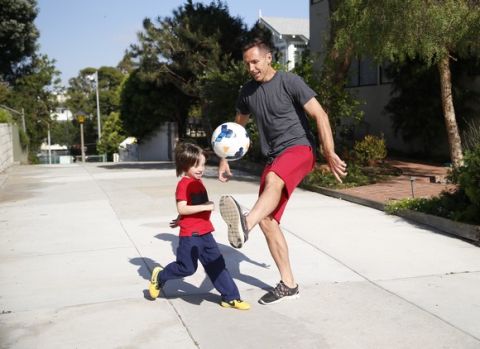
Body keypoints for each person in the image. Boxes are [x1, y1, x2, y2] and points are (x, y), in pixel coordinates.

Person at [218, 38, 347, 305]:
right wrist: (225, 157)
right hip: (274, 156)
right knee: (268, 221)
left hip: (300, 149)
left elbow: (320, 115)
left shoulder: (290, 82)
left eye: (255, 61)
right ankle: (289, 283)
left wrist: (328, 150)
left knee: (273, 182)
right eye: (247, 64)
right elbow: (237, 128)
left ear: (268, 58)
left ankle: (245, 223)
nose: (251, 67)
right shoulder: (247, 92)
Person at [149, 142, 250, 310]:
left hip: (205, 232)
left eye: (202, 164)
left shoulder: (198, 182)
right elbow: (182, 206)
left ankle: (231, 297)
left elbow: (187, 206)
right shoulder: (184, 184)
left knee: (217, 265)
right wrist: (204, 207)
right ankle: (160, 276)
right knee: (187, 268)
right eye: (196, 165)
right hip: (190, 235)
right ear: (184, 165)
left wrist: (179, 218)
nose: (200, 168)